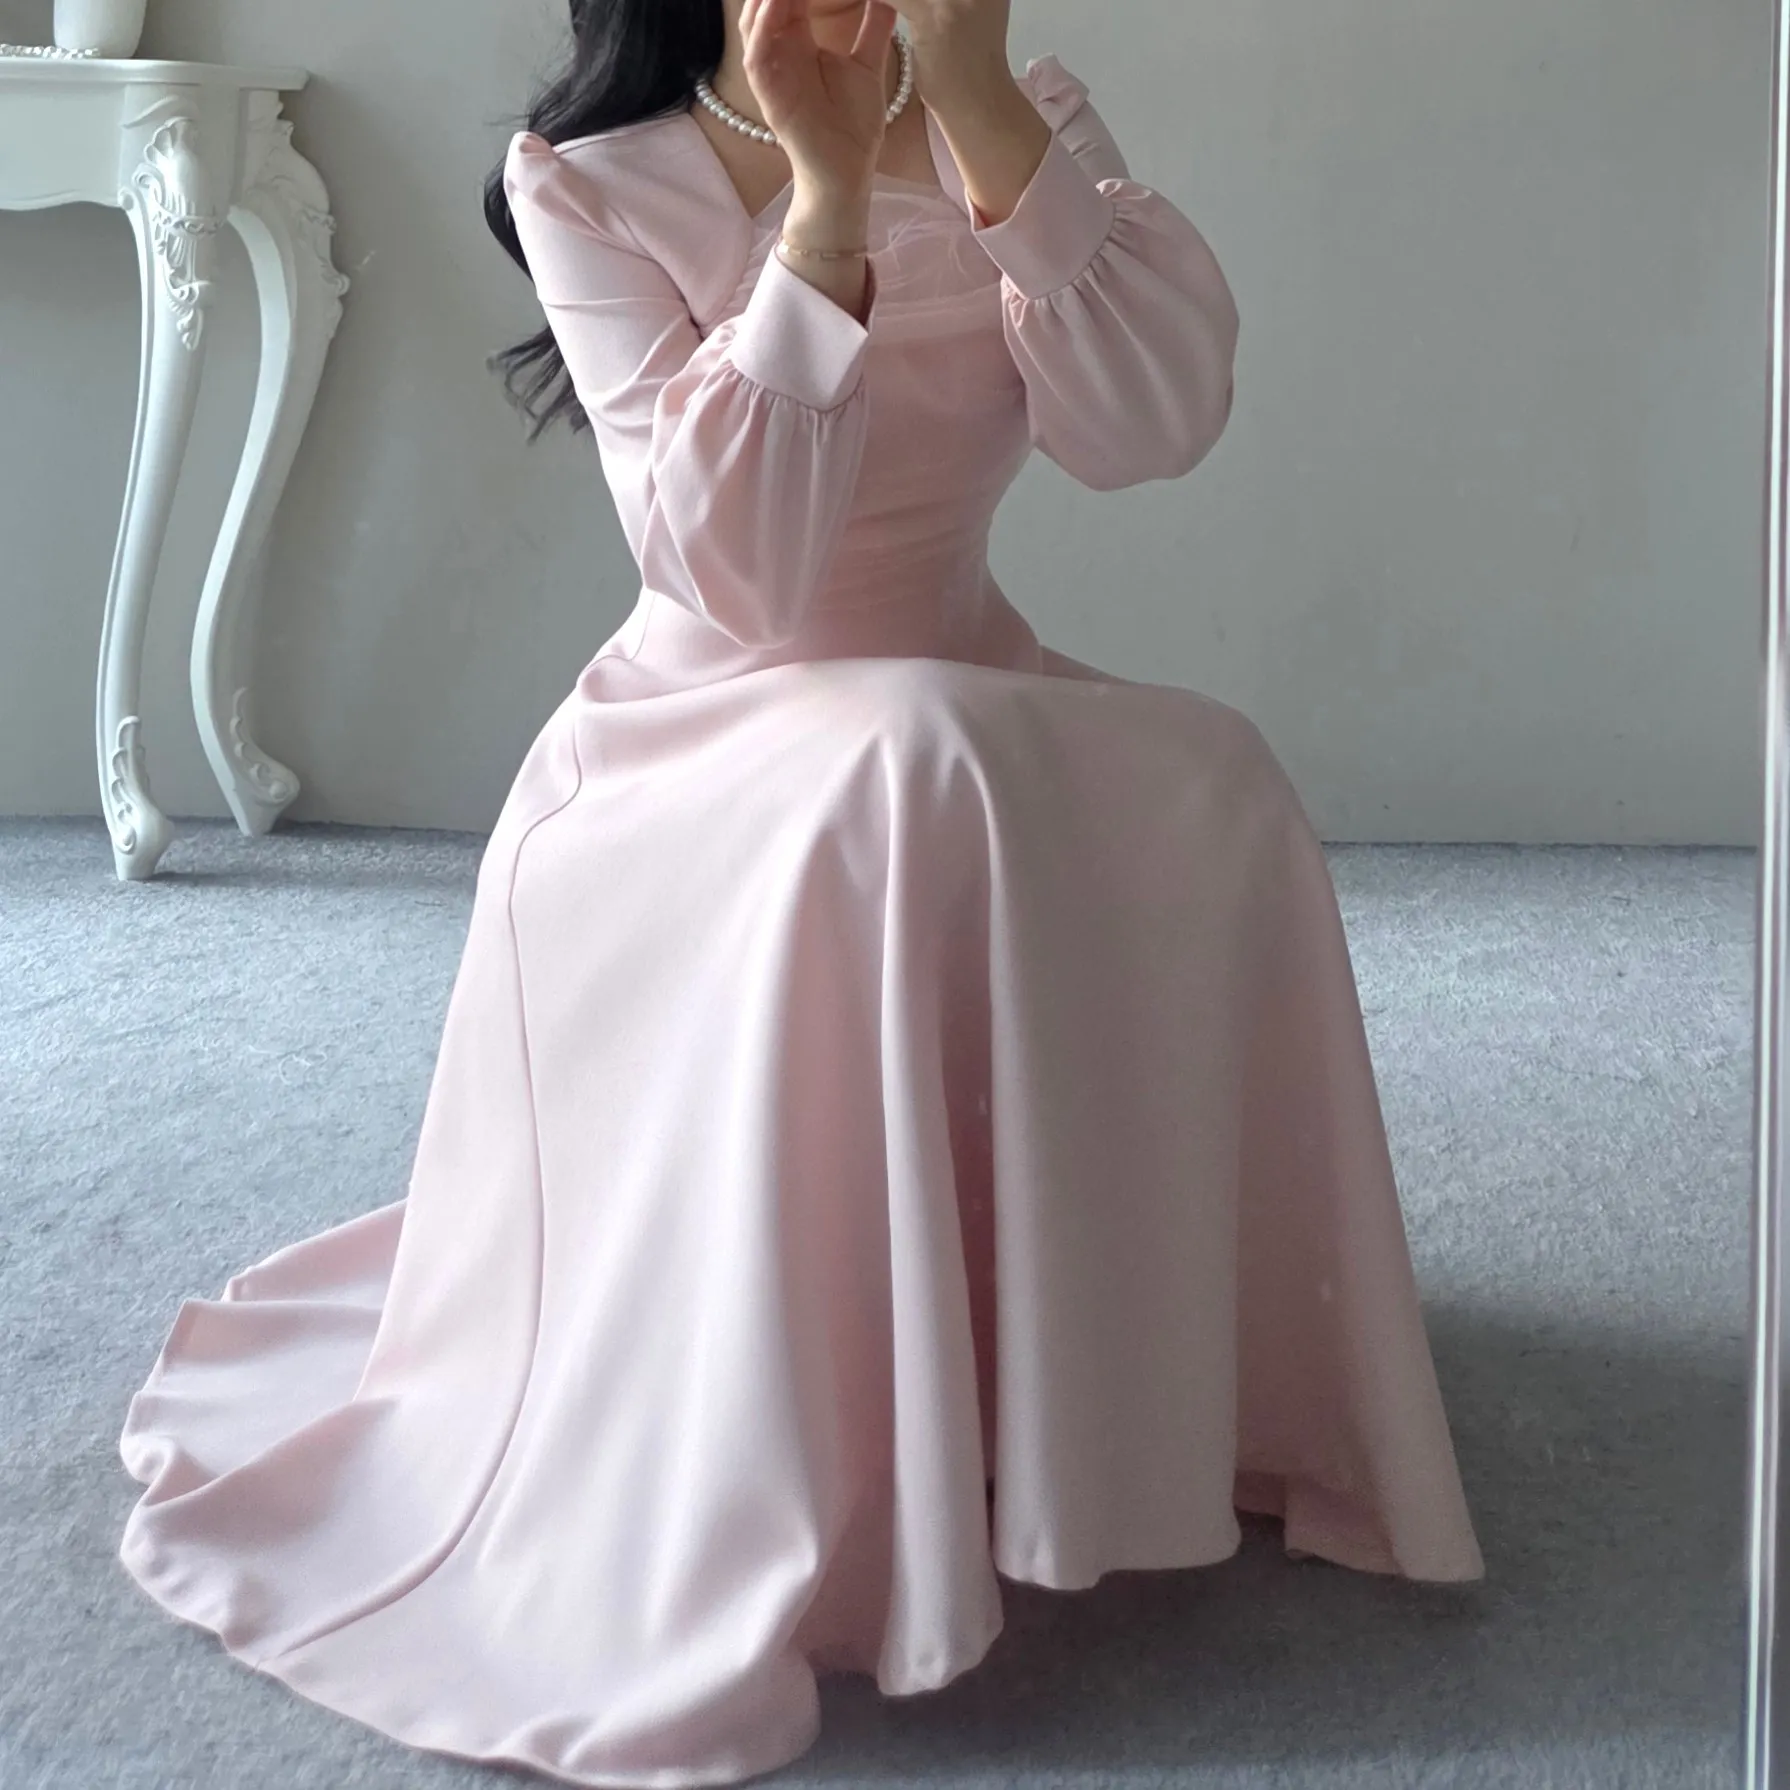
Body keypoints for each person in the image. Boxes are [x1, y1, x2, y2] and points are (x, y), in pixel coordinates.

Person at [115, 1, 1486, 1785]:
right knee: (912, 763)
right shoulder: (590, 183)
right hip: (692, 752)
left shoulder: (1024, 112)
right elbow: (739, 574)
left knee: (1208, 775)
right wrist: (825, 205)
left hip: (959, 694)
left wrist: (977, 108)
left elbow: (1153, 426)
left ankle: (1151, 1384)